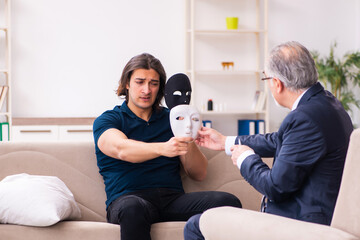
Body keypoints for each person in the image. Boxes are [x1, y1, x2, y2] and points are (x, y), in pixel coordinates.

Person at [184, 41, 353, 239]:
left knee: (196, 226)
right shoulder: (327, 103)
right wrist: (226, 142)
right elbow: (280, 140)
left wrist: (245, 159)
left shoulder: (304, 117)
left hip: (301, 225)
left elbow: (276, 188)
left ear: (277, 83)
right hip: (318, 217)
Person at [92, 53, 242, 240]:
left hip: (172, 199)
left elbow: (199, 174)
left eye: (153, 83)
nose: (147, 90)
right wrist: (163, 148)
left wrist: (185, 136)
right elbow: (121, 149)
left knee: (228, 202)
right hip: (128, 199)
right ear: (127, 84)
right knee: (133, 208)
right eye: (140, 82)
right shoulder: (109, 119)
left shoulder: (173, 118)